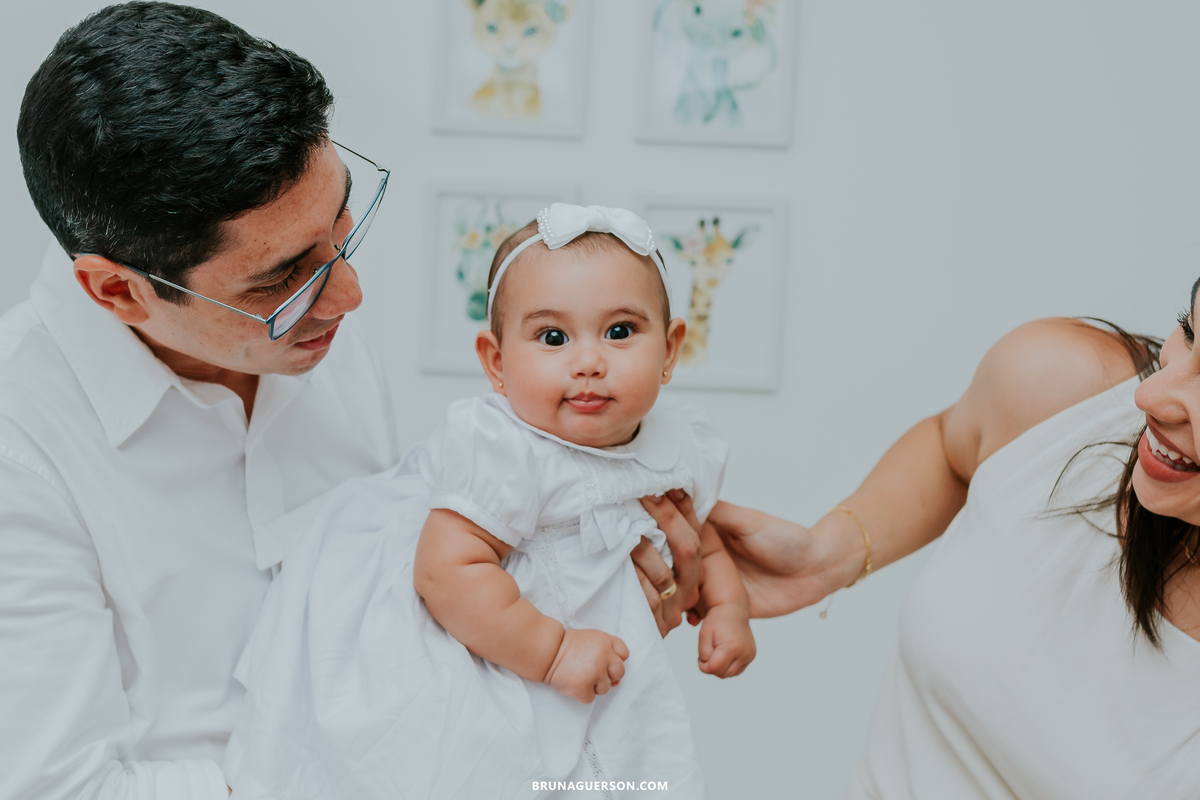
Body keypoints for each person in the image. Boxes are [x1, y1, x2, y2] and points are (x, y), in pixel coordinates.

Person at [1, 6, 701, 799]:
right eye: (283, 278)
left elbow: (404, 609)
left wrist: (583, 594)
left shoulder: (313, 339)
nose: (347, 296)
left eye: (342, 228)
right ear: (118, 291)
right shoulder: (20, 451)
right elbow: (58, 788)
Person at [226, 205, 754, 798]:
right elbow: (447, 572)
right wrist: (553, 652)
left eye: (620, 332)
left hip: (610, 668)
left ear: (671, 350)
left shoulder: (680, 440)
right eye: (553, 338)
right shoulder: (501, 447)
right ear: (496, 364)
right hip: (497, 645)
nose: (589, 362)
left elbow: (702, 536)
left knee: (635, 761)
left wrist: (727, 608)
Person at [705, 310, 1200, 798]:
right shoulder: (1067, 386)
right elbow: (954, 451)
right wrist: (827, 555)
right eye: (1190, 331)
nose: (1150, 396)